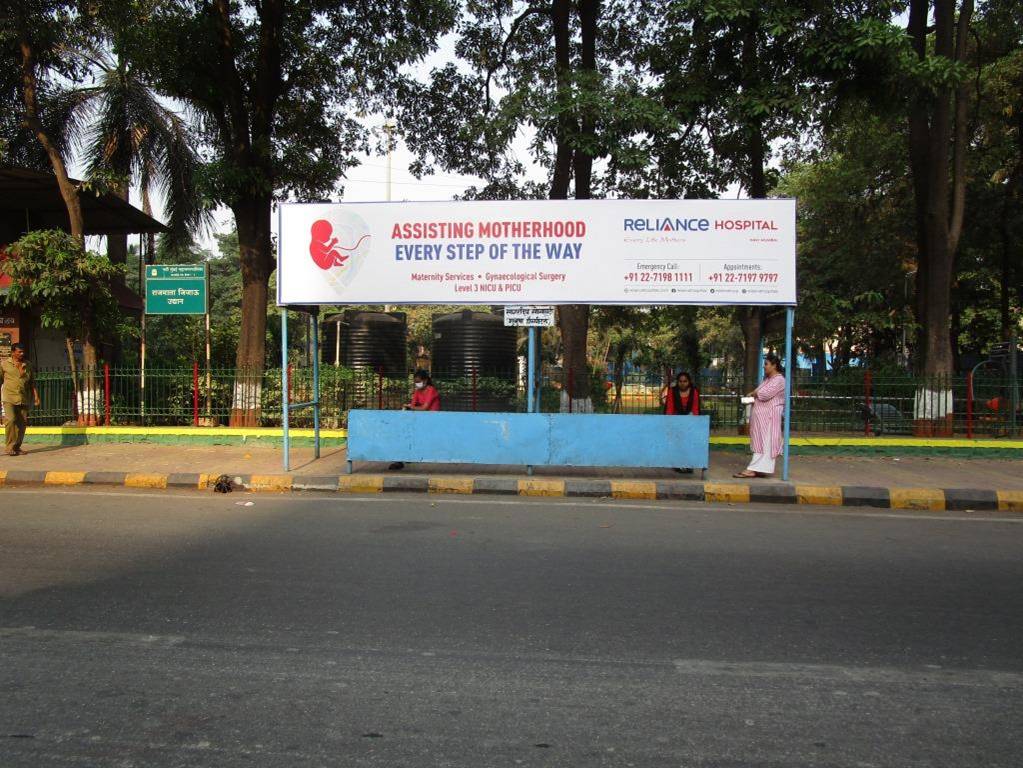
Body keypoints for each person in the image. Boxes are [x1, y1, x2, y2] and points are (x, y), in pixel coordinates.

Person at [734, 353, 786, 478]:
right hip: (762, 418)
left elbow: (764, 394)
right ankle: (759, 468)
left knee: (765, 444)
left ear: (774, 366)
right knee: (760, 443)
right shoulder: (768, 379)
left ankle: (752, 469)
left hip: (769, 418)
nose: (764, 367)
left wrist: (754, 393)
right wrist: (754, 393)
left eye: (766, 364)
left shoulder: (779, 380)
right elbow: (757, 392)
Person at [389, 370, 440, 470]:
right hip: (420, 419)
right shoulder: (417, 391)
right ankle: (400, 459)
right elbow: (413, 405)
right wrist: (409, 407)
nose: (417, 384)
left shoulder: (431, 390)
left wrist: (411, 407)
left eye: (419, 381)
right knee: (401, 432)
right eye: (415, 382)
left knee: (407, 434)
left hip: (432, 420)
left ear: (425, 381)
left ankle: (403, 458)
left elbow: (425, 408)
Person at [1, 343, 41, 456]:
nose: (22, 354)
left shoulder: (28, 365)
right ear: (13, 352)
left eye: (23, 352)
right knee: (11, 420)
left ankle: (17, 447)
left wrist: (36, 396)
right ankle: (9, 447)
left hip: (23, 397)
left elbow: (32, 383)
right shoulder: (4, 365)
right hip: (9, 397)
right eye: (19, 352)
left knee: (22, 423)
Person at [661, 371, 700, 474]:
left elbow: (695, 408)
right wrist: (670, 423)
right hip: (675, 419)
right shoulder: (672, 391)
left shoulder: (694, 392)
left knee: (689, 442)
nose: (683, 383)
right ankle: (677, 464)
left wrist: (693, 422)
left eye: (685, 381)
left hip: (689, 420)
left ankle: (689, 464)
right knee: (677, 442)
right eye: (680, 381)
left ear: (689, 382)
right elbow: (669, 408)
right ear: (677, 382)